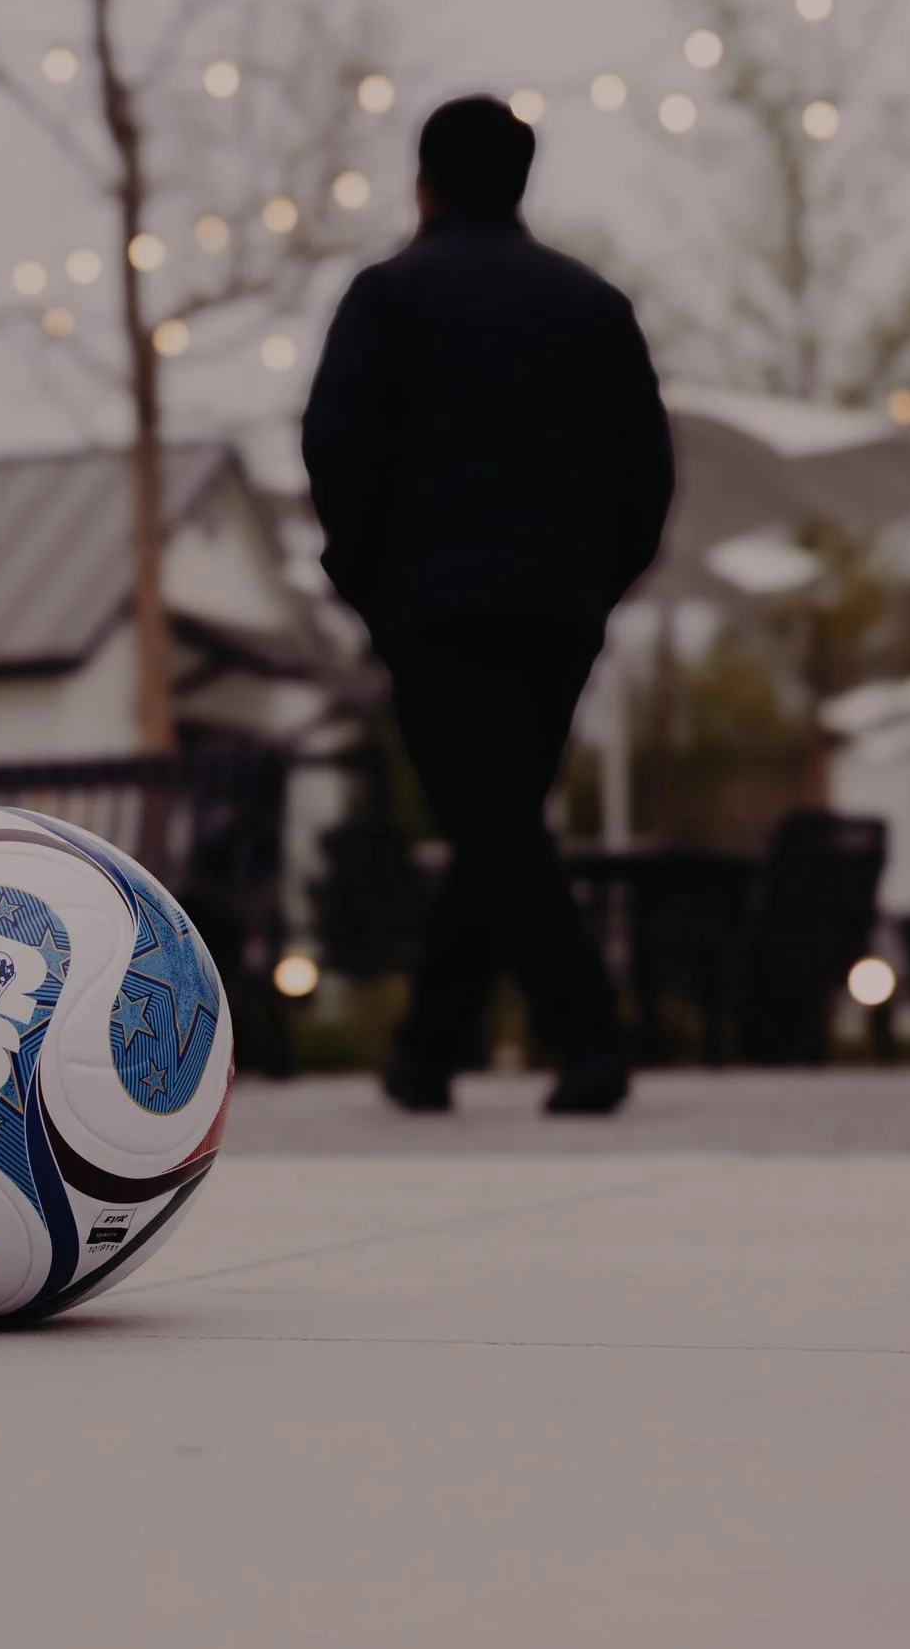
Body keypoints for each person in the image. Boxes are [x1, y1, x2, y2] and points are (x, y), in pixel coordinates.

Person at [302, 94, 675, 1115]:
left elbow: (336, 452)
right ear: (522, 181)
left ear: (421, 181)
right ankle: (428, 1047)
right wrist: (599, 582)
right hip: (559, 604)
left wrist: (370, 587)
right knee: (498, 813)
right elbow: (647, 473)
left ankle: (589, 1035)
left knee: (490, 815)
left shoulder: (387, 297)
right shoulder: (592, 305)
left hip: (432, 604)